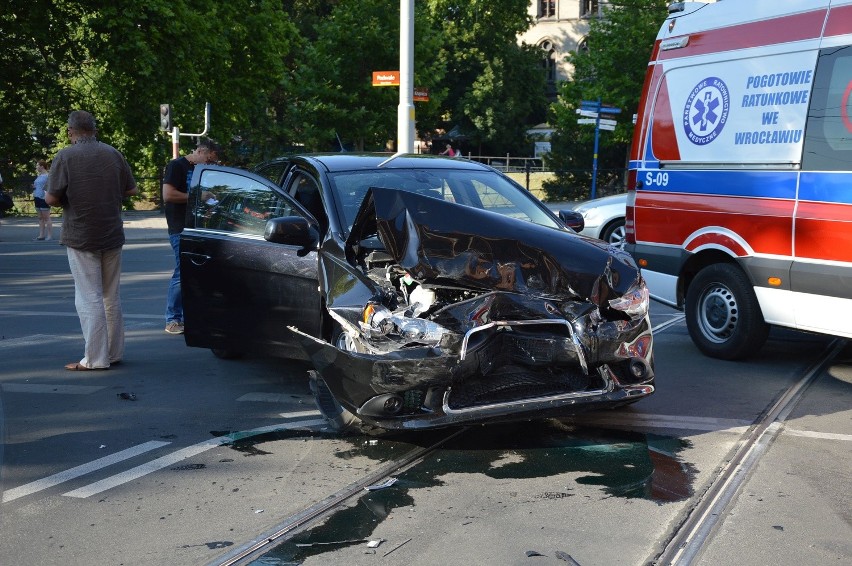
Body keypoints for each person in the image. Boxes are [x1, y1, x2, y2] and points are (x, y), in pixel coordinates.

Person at [45, 110, 138, 370]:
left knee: (89, 297)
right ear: (95, 130)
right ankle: (113, 352)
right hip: (112, 233)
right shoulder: (113, 153)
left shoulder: (65, 156)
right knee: (111, 296)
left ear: (70, 131)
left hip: (81, 234)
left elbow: (51, 199)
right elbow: (132, 189)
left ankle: (95, 359)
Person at [161, 139, 220, 335]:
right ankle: (173, 319)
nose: (210, 165)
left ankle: (191, 317)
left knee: (195, 274)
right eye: (209, 160)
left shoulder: (200, 170)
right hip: (180, 227)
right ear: (201, 151)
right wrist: (198, 197)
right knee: (182, 272)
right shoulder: (176, 166)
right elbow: (168, 195)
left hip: (197, 227)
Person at [32, 159, 53, 240]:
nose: (36, 167)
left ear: (42, 166)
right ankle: (41, 235)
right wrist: (34, 186)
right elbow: (38, 185)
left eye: (37, 165)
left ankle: (50, 236)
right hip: (37, 197)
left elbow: (50, 186)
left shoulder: (48, 176)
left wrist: (47, 195)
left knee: (46, 218)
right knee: (40, 218)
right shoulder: (39, 175)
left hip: (44, 198)